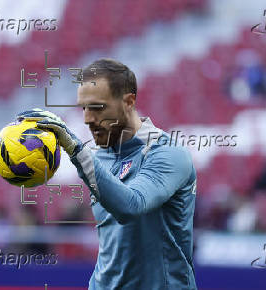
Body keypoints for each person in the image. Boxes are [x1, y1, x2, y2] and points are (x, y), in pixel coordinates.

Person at [16, 59, 197, 290]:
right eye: (83, 108)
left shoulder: (168, 154)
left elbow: (132, 205)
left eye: (97, 107)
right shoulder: (99, 157)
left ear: (129, 102)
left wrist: (75, 149)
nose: (87, 118)